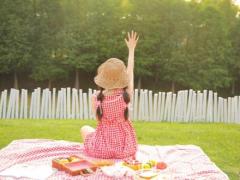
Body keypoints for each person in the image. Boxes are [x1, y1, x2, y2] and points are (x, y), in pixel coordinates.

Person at [80, 31, 139, 159]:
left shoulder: (96, 98)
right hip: (126, 149)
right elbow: (131, 71)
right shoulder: (126, 95)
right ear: (122, 78)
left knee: (84, 128)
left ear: (103, 78)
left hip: (102, 150)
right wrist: (131, 50)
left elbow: (98, 120)